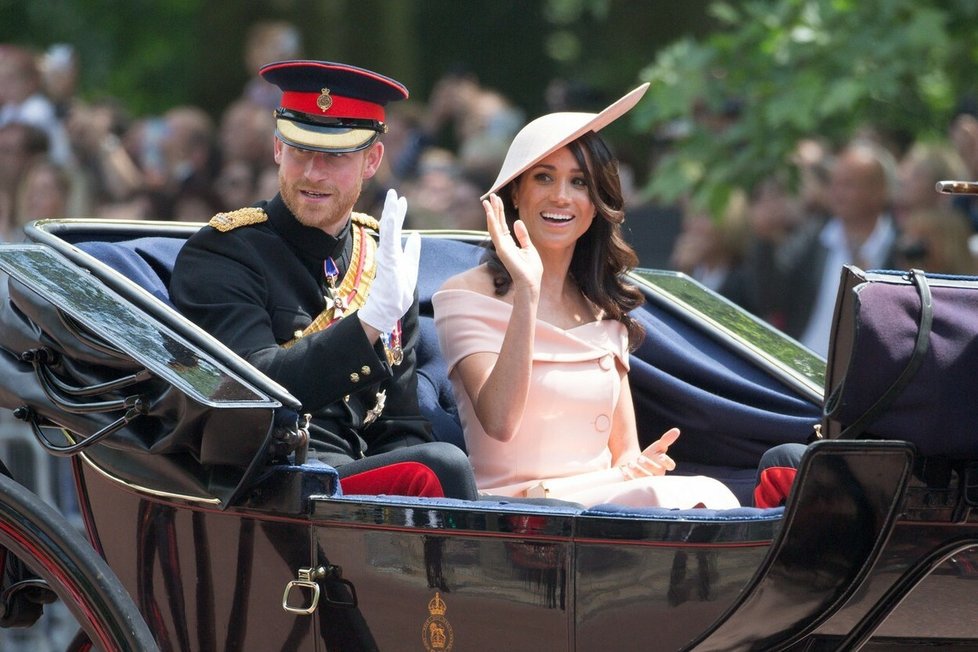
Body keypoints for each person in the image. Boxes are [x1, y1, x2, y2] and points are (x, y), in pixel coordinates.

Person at [170, 60, 477, 500]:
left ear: (371, 160)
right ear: (277, 148)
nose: (313, 174)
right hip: (273, 483)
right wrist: (367, 324)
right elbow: (251, 392)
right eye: (300, 151)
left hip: (353, 486)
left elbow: (401, 425)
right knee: (443, 468)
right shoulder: (224, 253)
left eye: (335, 156)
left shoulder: (379, 258)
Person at [431, 84, 739, 509]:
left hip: (600, 506)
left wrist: (640, 466)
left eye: (579, 182)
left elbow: (624, 452)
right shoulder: (464, 294)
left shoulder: (603, 303)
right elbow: (499, 422)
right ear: (516, 193)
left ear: (596, 204)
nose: (561, 196)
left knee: (711, 493)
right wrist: (528, 291)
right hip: (514, 514)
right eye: (544, 177)